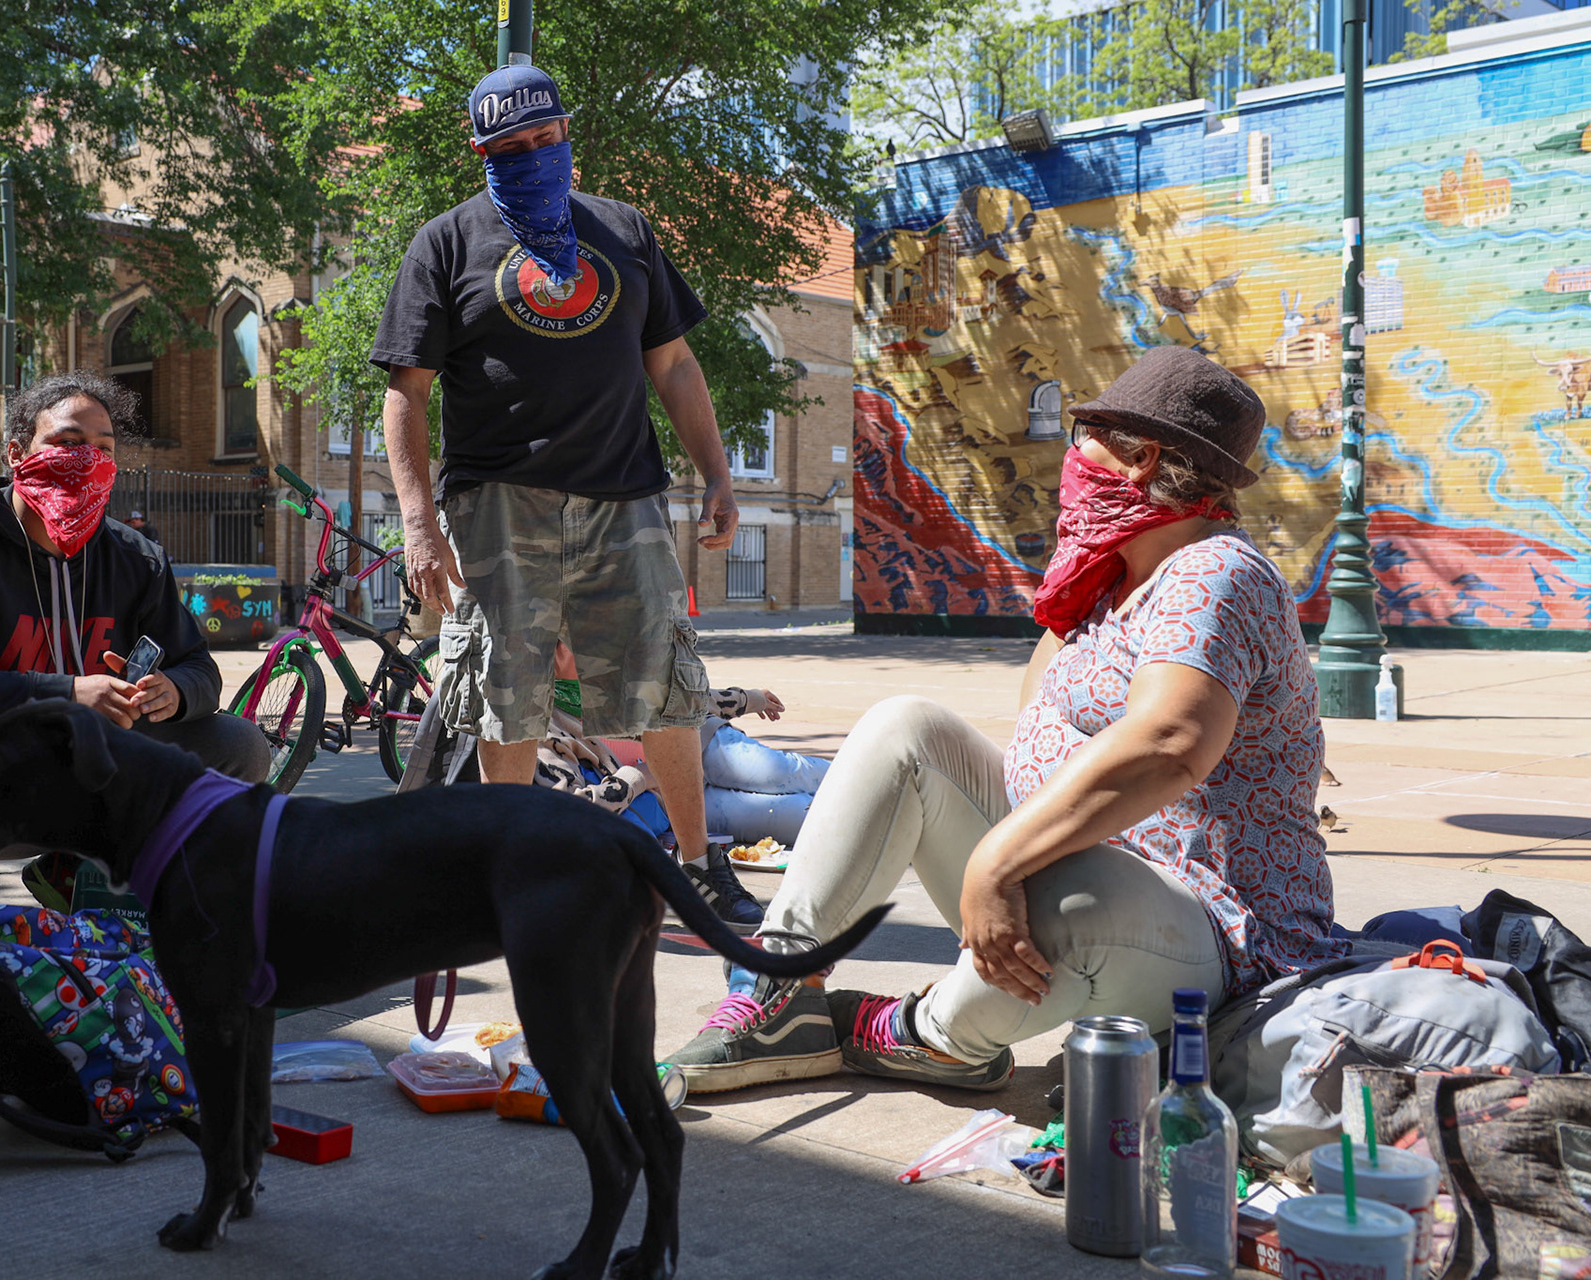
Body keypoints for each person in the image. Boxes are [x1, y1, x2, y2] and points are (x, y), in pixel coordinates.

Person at [666, 345, 1349, 1092]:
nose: (1070, 459)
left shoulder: (1215, 571)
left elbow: (1168, 744)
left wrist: (1000, 861)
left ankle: (929, 1036)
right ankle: (782, 987)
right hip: (1072, 863)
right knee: (906, 728)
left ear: (1141, 458)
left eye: (1084, 437)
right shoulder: (1111, 573)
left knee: (1071, 901)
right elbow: (1038, 720)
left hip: (1215, 926)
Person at [369, 64, 757, 925]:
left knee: (666, 684)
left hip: (627, 495)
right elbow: (407, 392)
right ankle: (511, 868)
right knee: (506, 692)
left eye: (548, 139)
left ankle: (696, 866)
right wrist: (419, 525)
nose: (537, 156)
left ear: (567, 134)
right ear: (483, 152)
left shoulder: (625, 230)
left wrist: (720, 473)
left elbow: (676, 364)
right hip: (497, 502)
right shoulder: (445, 243)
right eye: (513, 147)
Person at [0, 370, 271, 985]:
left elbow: (199, 668)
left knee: (239, 744)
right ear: (17, 454)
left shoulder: (134, 556)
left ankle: (127, 891)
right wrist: (65, 693)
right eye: (66, 441)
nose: (86, 458)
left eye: (105, 447)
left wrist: (176, 692)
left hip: (96, 774)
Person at [537, 642, 828, 849]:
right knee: (800, 816)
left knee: (787, 773)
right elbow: (571, 809)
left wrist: (749, 699)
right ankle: (868, 818)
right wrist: (640, 776)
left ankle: (871, 778)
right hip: (679, 800)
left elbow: (684, 700)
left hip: (706, 746)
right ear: (559, 652)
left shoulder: (613, 677)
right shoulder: (540, 728)